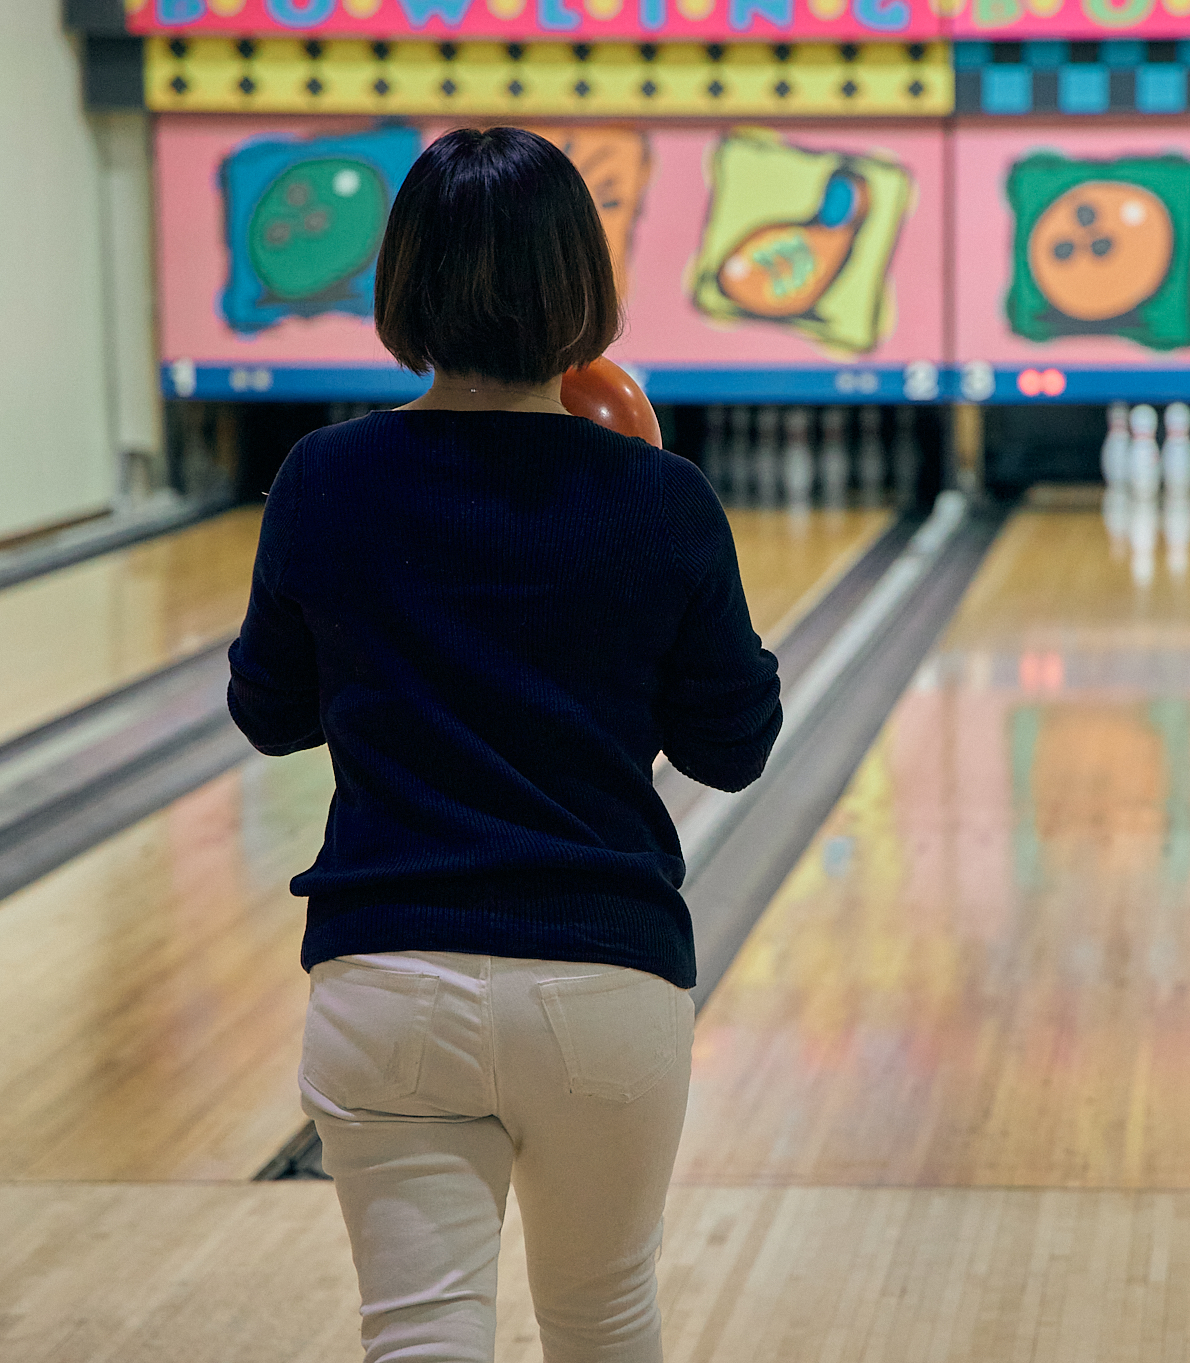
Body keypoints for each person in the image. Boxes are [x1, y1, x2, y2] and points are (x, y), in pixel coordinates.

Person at [226, 126, 782, 1363]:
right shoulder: (658, 500)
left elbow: (269, 716)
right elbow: (731, 746)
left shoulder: (322, 478)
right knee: (601, 1320)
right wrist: (646, 499)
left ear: (402, 288)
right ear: (582, 292)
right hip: (603, 982)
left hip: (386, 980)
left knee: (418, 1336)